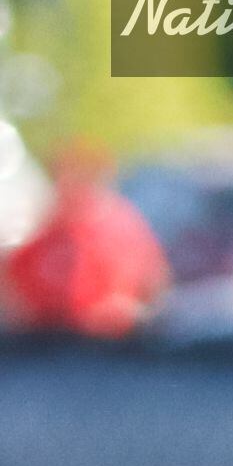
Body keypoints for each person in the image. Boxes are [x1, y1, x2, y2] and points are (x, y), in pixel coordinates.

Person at [3, 143, 170, 338]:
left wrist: (129, 311)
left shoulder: (122, 228)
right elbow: (15, 284)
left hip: (109, 345)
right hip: (51, 345)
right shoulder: (47, 232)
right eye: (64, 178)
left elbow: (153, 286)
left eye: (80, 178)